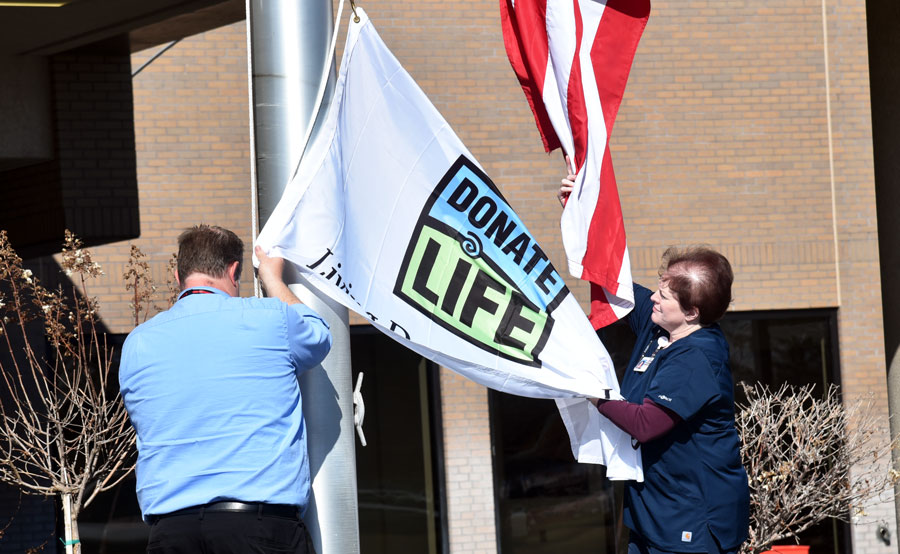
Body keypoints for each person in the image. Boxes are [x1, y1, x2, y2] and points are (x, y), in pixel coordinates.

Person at [559, 173, 749, 554]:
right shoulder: (661, 325)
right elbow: (614, 282)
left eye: (664, 295)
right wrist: (579, 213)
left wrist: (591, 394)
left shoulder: (699, 358)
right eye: (659, 289)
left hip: (692, 526)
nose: (655, 299)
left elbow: (646, 424)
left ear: (692, 312)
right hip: (652, 515)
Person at [119, 224, 332, 554]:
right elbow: (318, 336)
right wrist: (273, 280)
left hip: (171, 535)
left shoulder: (138, 344)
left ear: (178, 276)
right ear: (234, 271)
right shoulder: (270, 319)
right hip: (258, 530)